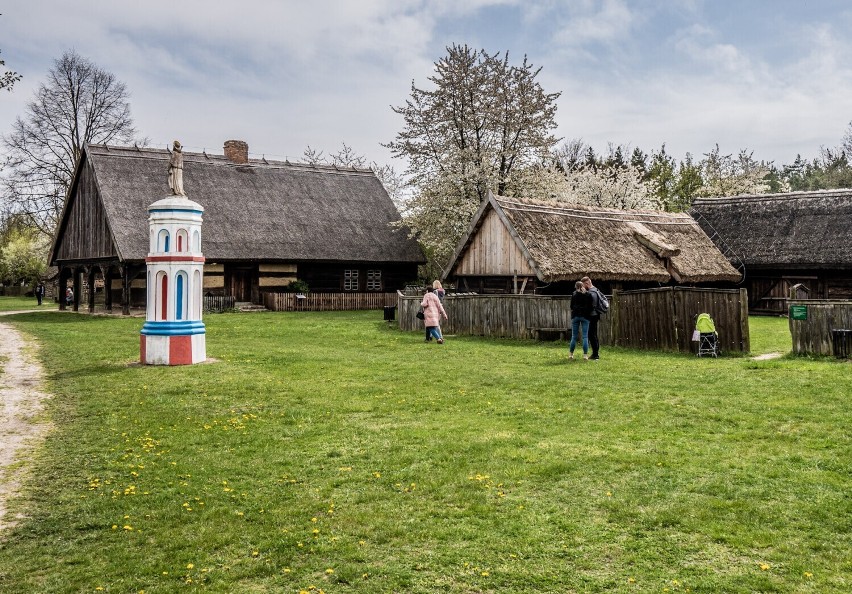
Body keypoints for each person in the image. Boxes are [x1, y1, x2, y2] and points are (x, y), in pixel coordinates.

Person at [582, 276, 609, 360]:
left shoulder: (591, 292)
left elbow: (591, 305)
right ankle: (595, 353)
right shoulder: (596, 290)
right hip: (596, 315)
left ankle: (595, 354)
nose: (583, 287)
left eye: (583, 285)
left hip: (592, 315)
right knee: (593, 334)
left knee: (591, 334)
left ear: (587, 283)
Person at [569, 280, 593, 360]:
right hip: (585, 316)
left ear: (576, 287)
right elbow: (591, 306)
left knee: (574, 336)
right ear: (582, 286)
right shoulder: (588, 294)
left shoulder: (574, 294)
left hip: (575, 316)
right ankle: (585, 355)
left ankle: (571, 354)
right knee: (585, 336)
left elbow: (571, 306)